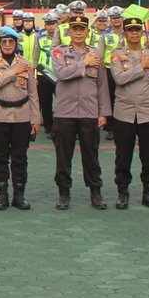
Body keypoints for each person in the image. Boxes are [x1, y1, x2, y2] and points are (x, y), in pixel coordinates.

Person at [51, 18, 112, 209]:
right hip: (65, 112)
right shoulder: (59, 52)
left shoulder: (96, 54)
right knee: (63, 156)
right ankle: (63, 193)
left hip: (89, 111)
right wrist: (84, 63)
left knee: (91, 155)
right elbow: (61, 74)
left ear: (87, 32)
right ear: (69, 32)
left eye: (82, 29)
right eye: (75, 29)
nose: (78, 32)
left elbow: (102, 85)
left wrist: (103, 112)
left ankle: (95, 192)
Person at [110, 14, 149, 209]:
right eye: (130, 31)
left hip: (147, 112)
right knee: (123, 154)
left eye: (137, 30)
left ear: (142, 33)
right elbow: (119, 78)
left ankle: (148, 192)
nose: (134, 34)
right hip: (124, 112)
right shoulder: (117, 55)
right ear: (125, 34)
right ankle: (123, 192)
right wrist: (140, 67)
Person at [0, 27, 40, 211]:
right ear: (0, 44)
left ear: (16, 44)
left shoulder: (25, 64)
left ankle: (19, 195)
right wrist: (12, 72)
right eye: (4, 42)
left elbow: (33, 94)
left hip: (22, 115)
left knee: (20, 157)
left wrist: (36, 119)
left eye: (11, 42)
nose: (7, 45)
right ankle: (2, 196)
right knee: (0, 157)